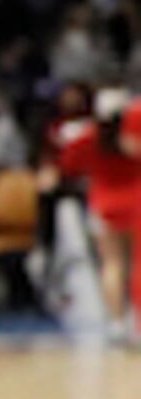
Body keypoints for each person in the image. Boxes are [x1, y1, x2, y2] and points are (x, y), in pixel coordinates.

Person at [46, 85, 141, 347]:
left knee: (112, 264)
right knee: (137, 264)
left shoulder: (88, 135)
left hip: (103, 203)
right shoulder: (133, 136)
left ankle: (116, 324)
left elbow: (67, 165)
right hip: (135, 200)